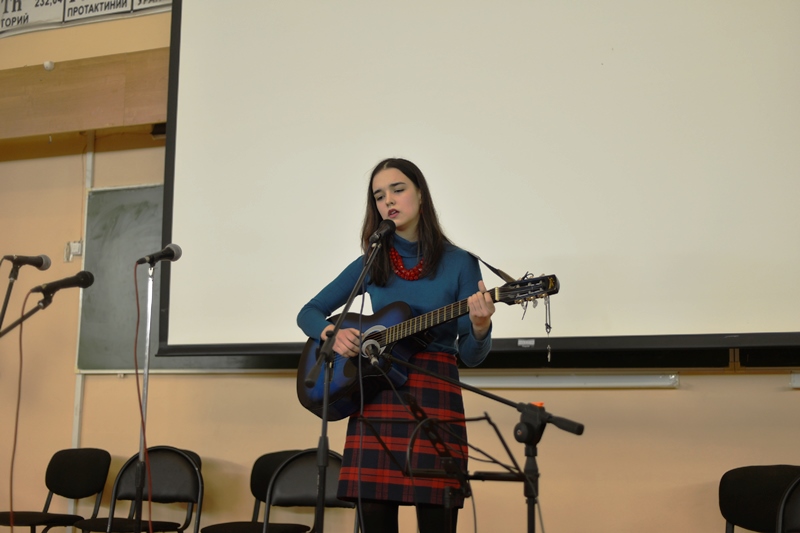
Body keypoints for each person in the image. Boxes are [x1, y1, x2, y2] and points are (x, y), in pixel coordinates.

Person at [297, 157, 495, 533]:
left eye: (398, 189)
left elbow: (470, 356)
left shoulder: (461, 263)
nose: (388, 200)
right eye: (379, 195)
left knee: (437, 518)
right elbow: (309, 312)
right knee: (374, 518)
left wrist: (481, 326)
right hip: (376, 389)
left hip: (435, 389)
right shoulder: (372, 261)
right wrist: (331, 333)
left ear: (421, 195)